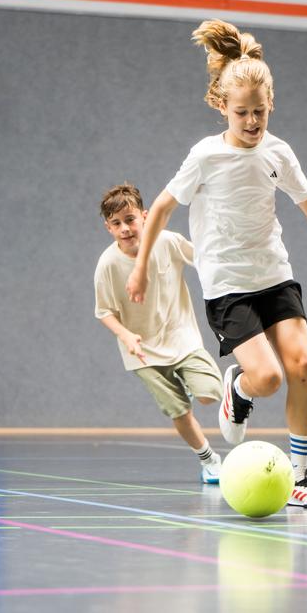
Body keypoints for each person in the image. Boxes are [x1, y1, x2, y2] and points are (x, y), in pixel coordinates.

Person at [126, 19, 307, 509]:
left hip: (275, 275)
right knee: (267, 379)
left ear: (271, 106)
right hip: (228, 286)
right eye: (242, 112)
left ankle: (301, 478)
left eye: (260, 112)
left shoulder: (278, 153)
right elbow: (160, 208)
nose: (252, 122)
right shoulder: (205, 156)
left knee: (303, 365)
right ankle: (240, 389)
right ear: (222, 107)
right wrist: (140, 266)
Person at [94, 183, 224, 484]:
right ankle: (209, 459)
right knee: (179, 411)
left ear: (145, 216)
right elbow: (103, 311)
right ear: (108, 228)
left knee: (209, 395)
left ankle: (196, 383)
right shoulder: (107, 265)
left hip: (180, 337)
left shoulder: (167, 242)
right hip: (143, 352)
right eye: (116, 223)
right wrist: (126, 336)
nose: (125, 228)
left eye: (130, 219)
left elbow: (204, 260)